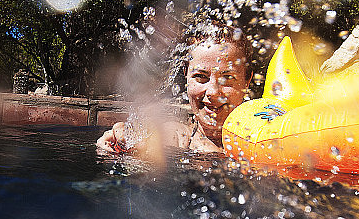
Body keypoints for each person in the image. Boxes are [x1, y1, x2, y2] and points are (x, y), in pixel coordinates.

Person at [96, 25, 252, 155]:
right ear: (186, 75)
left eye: (227, 78)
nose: (212, 91)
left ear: (247, 81)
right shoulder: (177, 138)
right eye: (200, 76)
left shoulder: (268, 137)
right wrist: (122, 142)